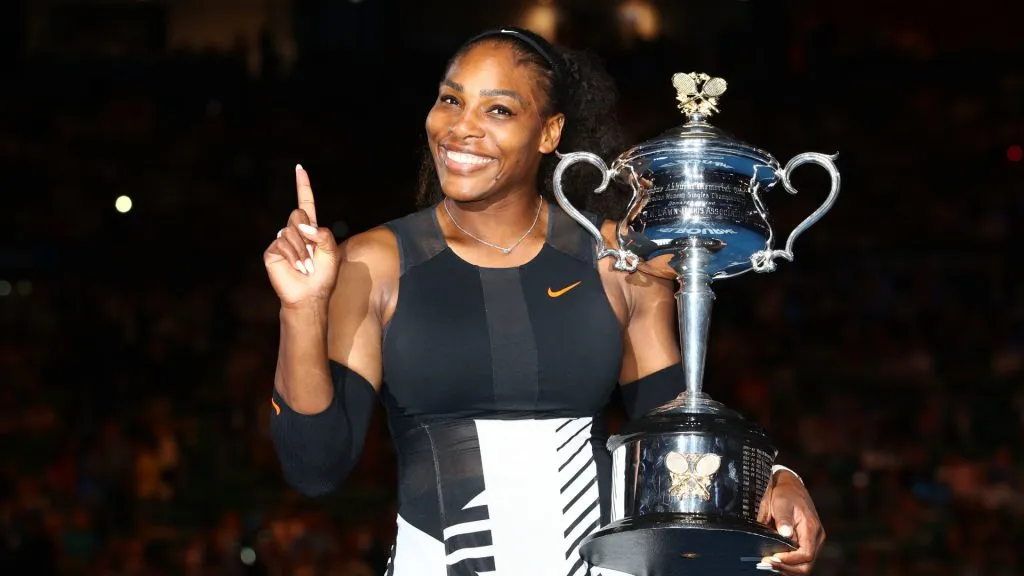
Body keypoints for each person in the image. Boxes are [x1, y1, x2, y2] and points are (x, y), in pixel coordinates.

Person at [264, 26, 825, 576]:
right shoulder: (374, 263)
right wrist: (301, 309)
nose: (462, 128)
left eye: (499, 110)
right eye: (450, 100)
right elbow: (315, 466)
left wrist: (774, 478)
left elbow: (674, 425)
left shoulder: (618, 260)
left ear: (549, 132)